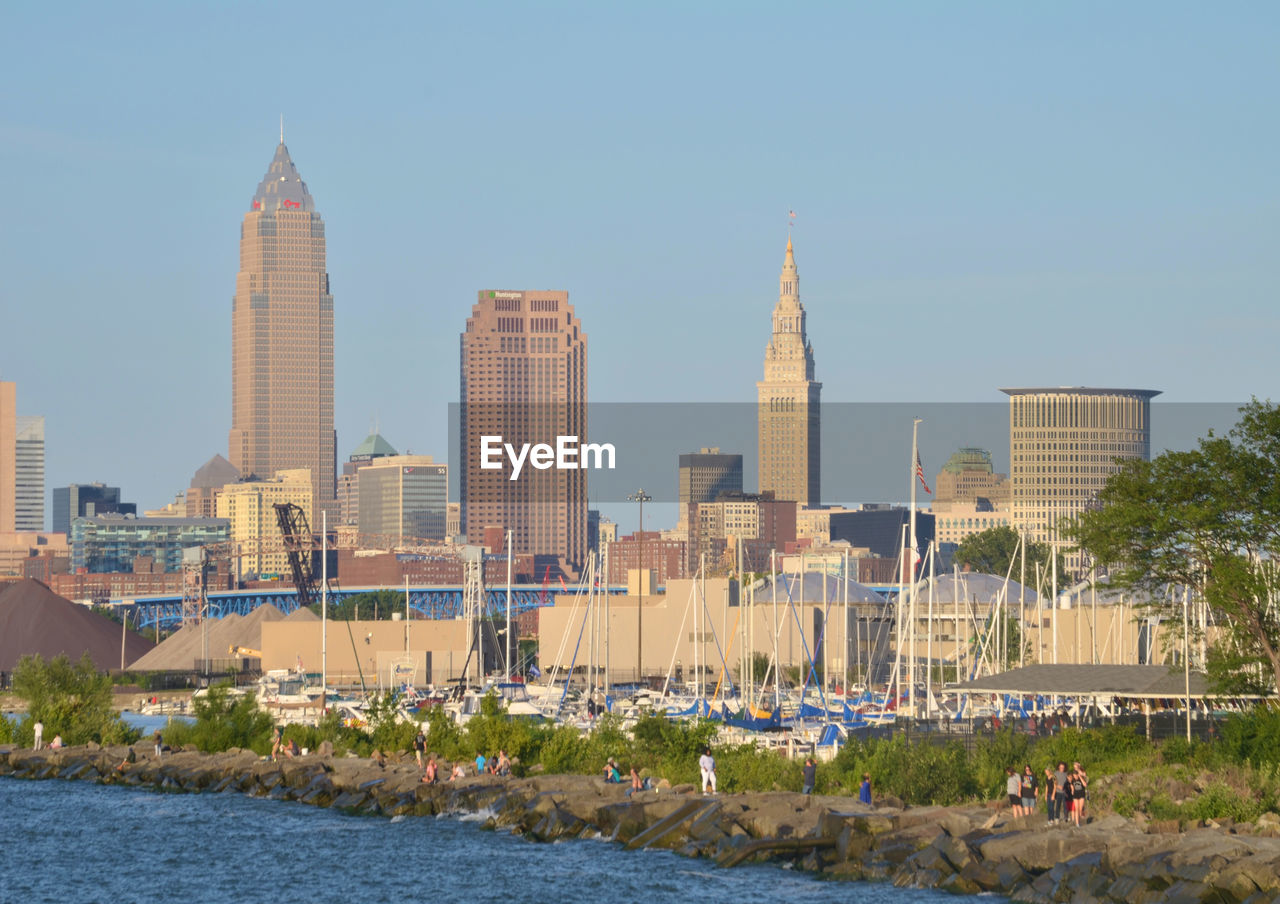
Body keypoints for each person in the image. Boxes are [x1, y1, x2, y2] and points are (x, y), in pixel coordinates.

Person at [1052, 762, 1068, 826]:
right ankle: (1057, 818)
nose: (1062, 768)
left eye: (1063, 767)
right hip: (1058, 791)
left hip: (1064, 792)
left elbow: (1068, 782)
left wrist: (1065, 788)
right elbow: (1054, 782)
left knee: (1065, 806)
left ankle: (1066, 817)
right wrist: (1058, 786)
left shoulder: (1066, 774)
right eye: (1061, 767)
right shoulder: (1055, 773)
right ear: (1058, 767)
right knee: (1057, 805)